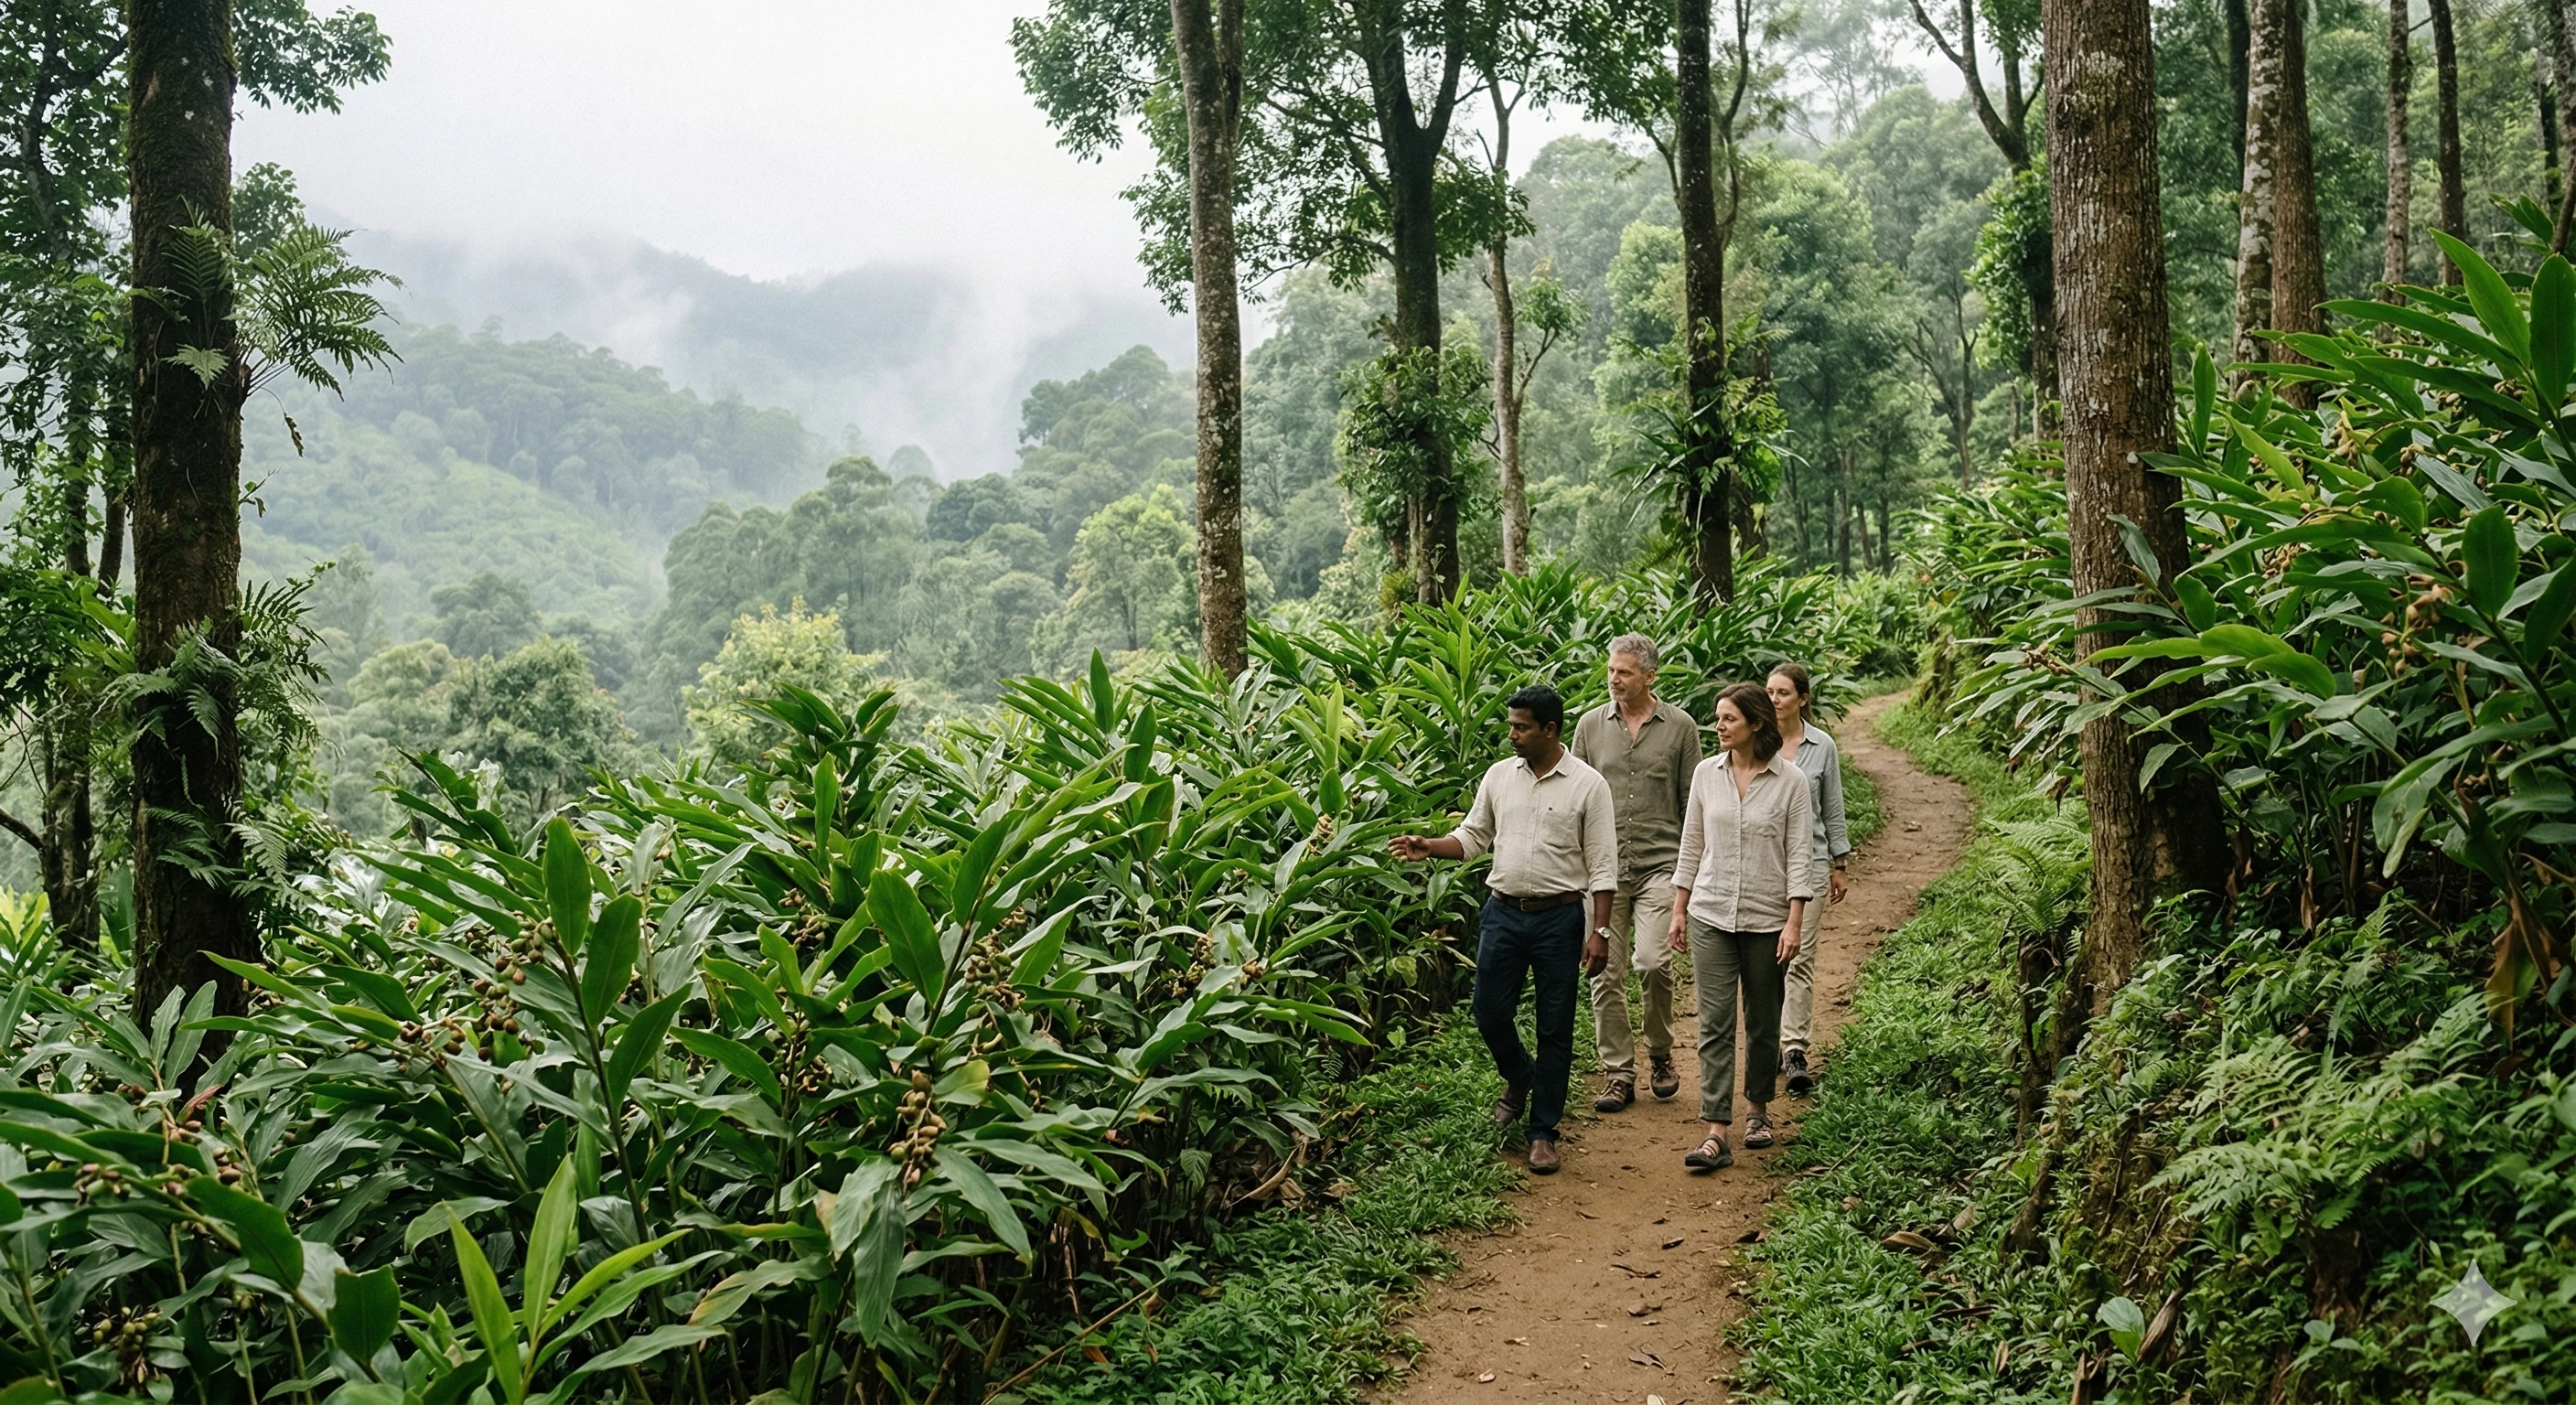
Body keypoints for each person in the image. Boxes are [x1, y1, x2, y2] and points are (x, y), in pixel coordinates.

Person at [1392, 684, 1617, 1175]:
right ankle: (1520, 1074)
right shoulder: (1499, 777)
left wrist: (1600, 932)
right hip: (1503, 911)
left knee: (1555, 1025)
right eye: (1511, 725)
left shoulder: (1587, 785)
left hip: (1560, 917)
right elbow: (1473, 837)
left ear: (1550, 730)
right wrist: (1429, 845)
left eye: (1521, 727)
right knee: (1488, 1011)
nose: (1511, 735)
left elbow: (1602, 866)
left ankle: (1542, 1132)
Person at [1667, 681, 1817, 1172]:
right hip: (1710, 913)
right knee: (1714, 1022)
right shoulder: (1706, 776)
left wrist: (1794, 922)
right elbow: (1692, 845)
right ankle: (1715, 1130)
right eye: (1717, 718)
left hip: (1767, 918)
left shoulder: (1790, 781)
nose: (1719, 726)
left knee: (1763, 1019)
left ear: (1756, 724)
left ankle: (1757, 1111)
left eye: (1729, 719)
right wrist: (1678, 908)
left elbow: (1800, 856)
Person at [1569, 634, 1699, 1113]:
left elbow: (1692, 804)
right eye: (1611, 671)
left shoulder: (1681, 727)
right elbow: (1574, 799)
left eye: (1624, 672)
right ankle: (1618, 1072)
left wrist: (1693, 871)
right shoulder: (1589, 726)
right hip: (1602, 872)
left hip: (1661, 866)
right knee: (1603, 972)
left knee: (1653, 962)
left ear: (1649, 675)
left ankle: (1662, 1053)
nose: (1614, 680)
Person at [1769, 662, 1851, 1097]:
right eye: (1769, 691)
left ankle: (1794, 1050)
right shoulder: (1755, 741)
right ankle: (1769, 1045)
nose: (1774, 699)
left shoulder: (1822, 747)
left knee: (1798, 957)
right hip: (1765, 866)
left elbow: (1831, 807)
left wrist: (1840, 863)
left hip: (1813, 862)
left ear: (1802, 699)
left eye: (1783, 693)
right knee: (1767, 960)